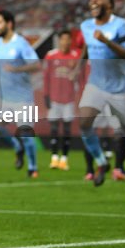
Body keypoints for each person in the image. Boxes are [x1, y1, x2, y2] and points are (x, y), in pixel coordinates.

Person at [76, 0, 125, 191]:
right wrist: (78, 67)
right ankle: (101, 162)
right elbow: (87, 47)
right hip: (96, 84)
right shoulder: (86, 26)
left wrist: (106, 41)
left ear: (110, 5)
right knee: (84, 122)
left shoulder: (121, 25)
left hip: (120, 88)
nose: (93, 1)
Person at [0, 10, 42, 178]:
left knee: (26, 133)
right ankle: (17, 147)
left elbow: (36, 65)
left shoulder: (21, 43)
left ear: (9, 24)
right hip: (3, 97)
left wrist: (17, 69)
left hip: (22, 97)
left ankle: (32, 168)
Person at [43, 30, 80, 171]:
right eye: (63, 39)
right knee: (53, 129)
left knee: (66, 130)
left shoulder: (76, 56)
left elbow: (80, 76)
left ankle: (64, 159)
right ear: (59, 41)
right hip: (54, 99)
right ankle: (54, 158)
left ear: (71, 41)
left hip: (68, 100)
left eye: (68, 39)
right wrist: (46, 95)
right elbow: (46, 77)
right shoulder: (51, 56)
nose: (65, 42)